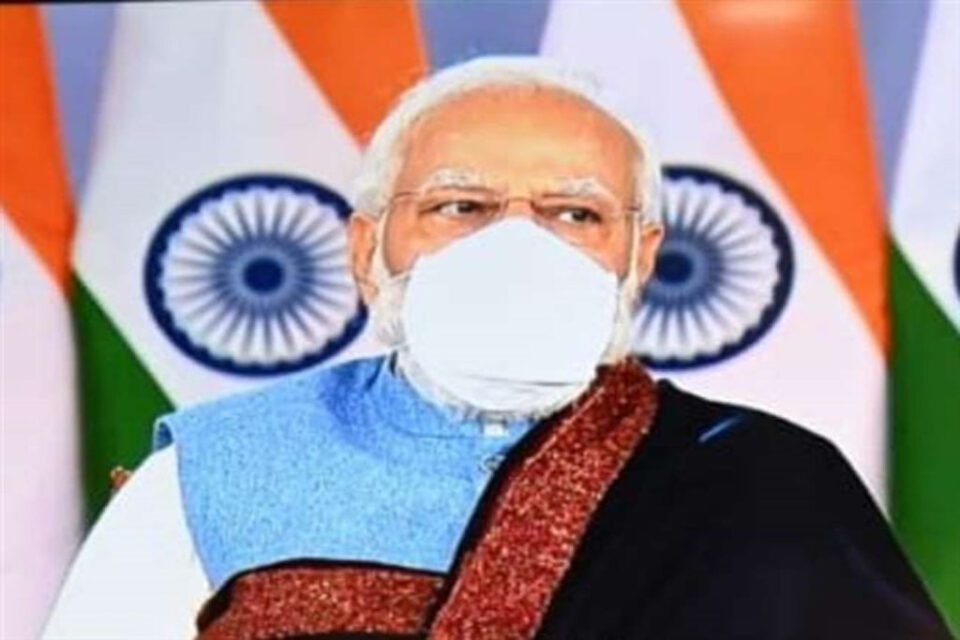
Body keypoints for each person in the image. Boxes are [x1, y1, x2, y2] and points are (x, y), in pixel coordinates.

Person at [44, 57, 951, 640]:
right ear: (367, 248)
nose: (518, 245)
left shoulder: (765, 480)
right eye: (461, 206)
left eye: (575, 213)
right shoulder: (215, 468)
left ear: (639, 258)